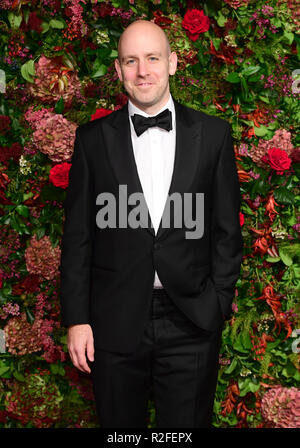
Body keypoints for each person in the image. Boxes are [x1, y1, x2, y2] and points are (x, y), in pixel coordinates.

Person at [59, 19, 243, 428]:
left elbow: (226, 231)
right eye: (131, 60)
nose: (143, 71)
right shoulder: (91, 140)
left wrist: (218, 303)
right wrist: (77, 318)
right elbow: (78, 239)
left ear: (173, 63)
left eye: (153, 58)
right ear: (119, 70)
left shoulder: (214, 135)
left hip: (191, 320)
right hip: (113, 323)